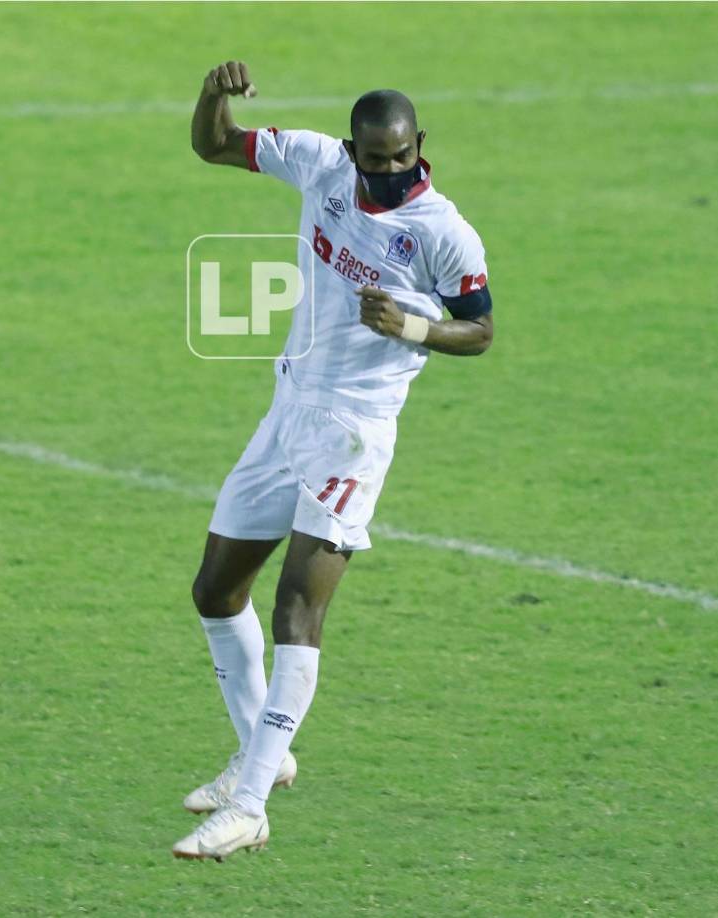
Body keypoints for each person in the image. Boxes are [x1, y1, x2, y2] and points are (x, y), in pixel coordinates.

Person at [173, 60, 494, 861]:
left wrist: (412, 329)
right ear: (351, 150)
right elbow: (216, 148)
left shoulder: (442, 232)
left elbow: (480, 329)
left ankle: (247, 805)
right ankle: (264, 755)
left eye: (400, 157)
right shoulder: (320, 165)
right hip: (288, 410)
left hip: (352, 430)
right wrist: (214, 96)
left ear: (420, 146)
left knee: (295, 611)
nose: (387, 172)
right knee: (215, 590)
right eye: (373, 158)